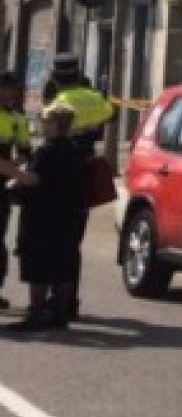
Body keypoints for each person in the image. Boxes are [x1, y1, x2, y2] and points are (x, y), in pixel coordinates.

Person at [39, 55, 113, 324]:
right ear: (79, 75)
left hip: (58, 177)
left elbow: (48, 131)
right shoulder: (95, 99)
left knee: (55, 240)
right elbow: (109, 117)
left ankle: (56, 301)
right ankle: (69, 301)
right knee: (73, 241)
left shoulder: (57, 104)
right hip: (84, 176)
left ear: (54, 77)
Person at [4, 104, 76, 331]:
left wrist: (10, 172)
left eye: (46, 121)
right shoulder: (73, 149)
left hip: (40, 215)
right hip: (65, 214)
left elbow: (33, 179)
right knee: (60, 264)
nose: (42, 125)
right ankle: (59, 314)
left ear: (56, 124)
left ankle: (36, 314)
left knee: (37, 265)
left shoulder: (46, 151)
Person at [0, 72, 26, 311]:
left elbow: (25, 151)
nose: (11, 95)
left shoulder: (18, 119)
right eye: (6, 90)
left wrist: (15, 165)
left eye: (14, 91)